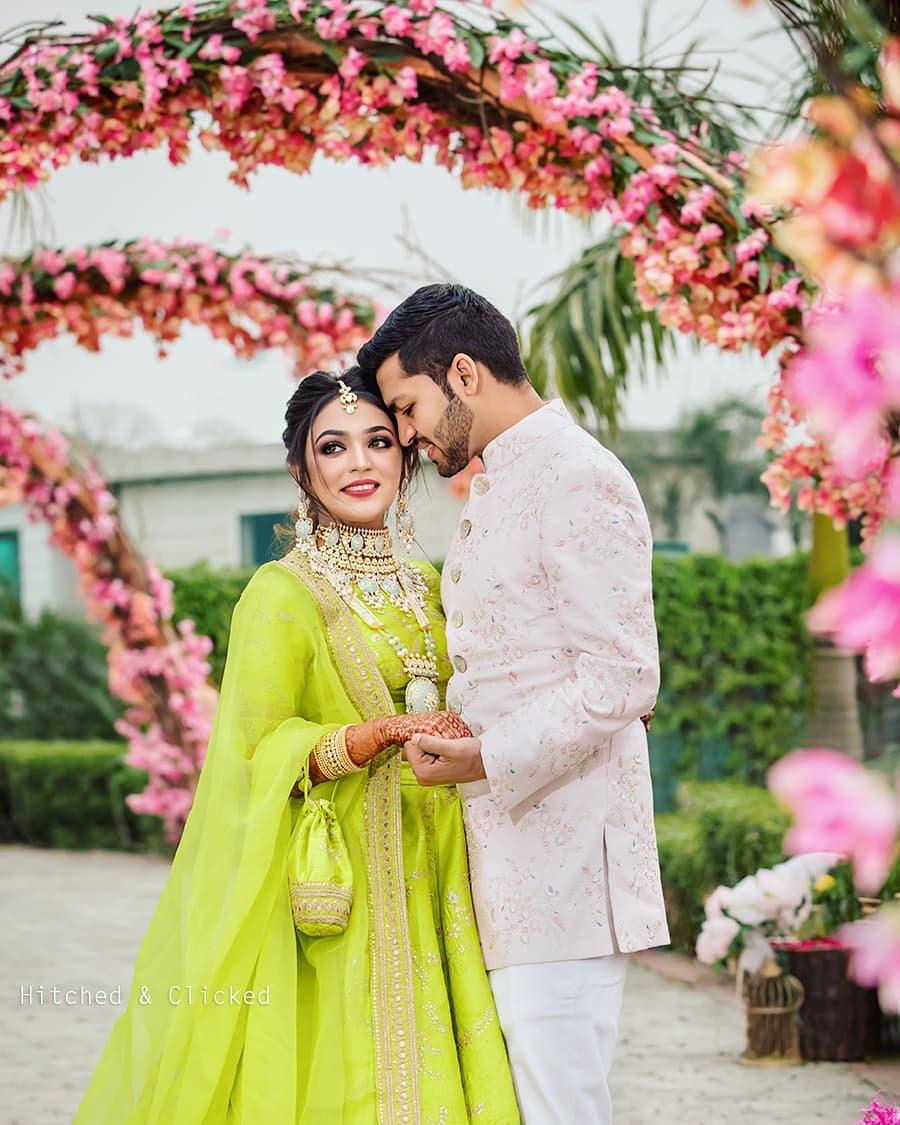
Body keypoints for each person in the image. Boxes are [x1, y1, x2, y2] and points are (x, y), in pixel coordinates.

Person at [75, 368, 520, 1124]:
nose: (360, 463)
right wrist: (370, 735)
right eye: (334, 446)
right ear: (301, 468)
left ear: (405, 455)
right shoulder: (282, 593)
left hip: (443, 867)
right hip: (346, 882)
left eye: (379, 441)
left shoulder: (427, 580)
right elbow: (253, 754)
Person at [358, 286, 670, 1125]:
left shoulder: (578, 476)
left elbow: (622, 675)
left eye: (410, 407)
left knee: (561, 1105)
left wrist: (485, 756)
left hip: (566, 865)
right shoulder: (504, 484)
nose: (410, 434)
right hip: (508, 853)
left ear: (464, 372)